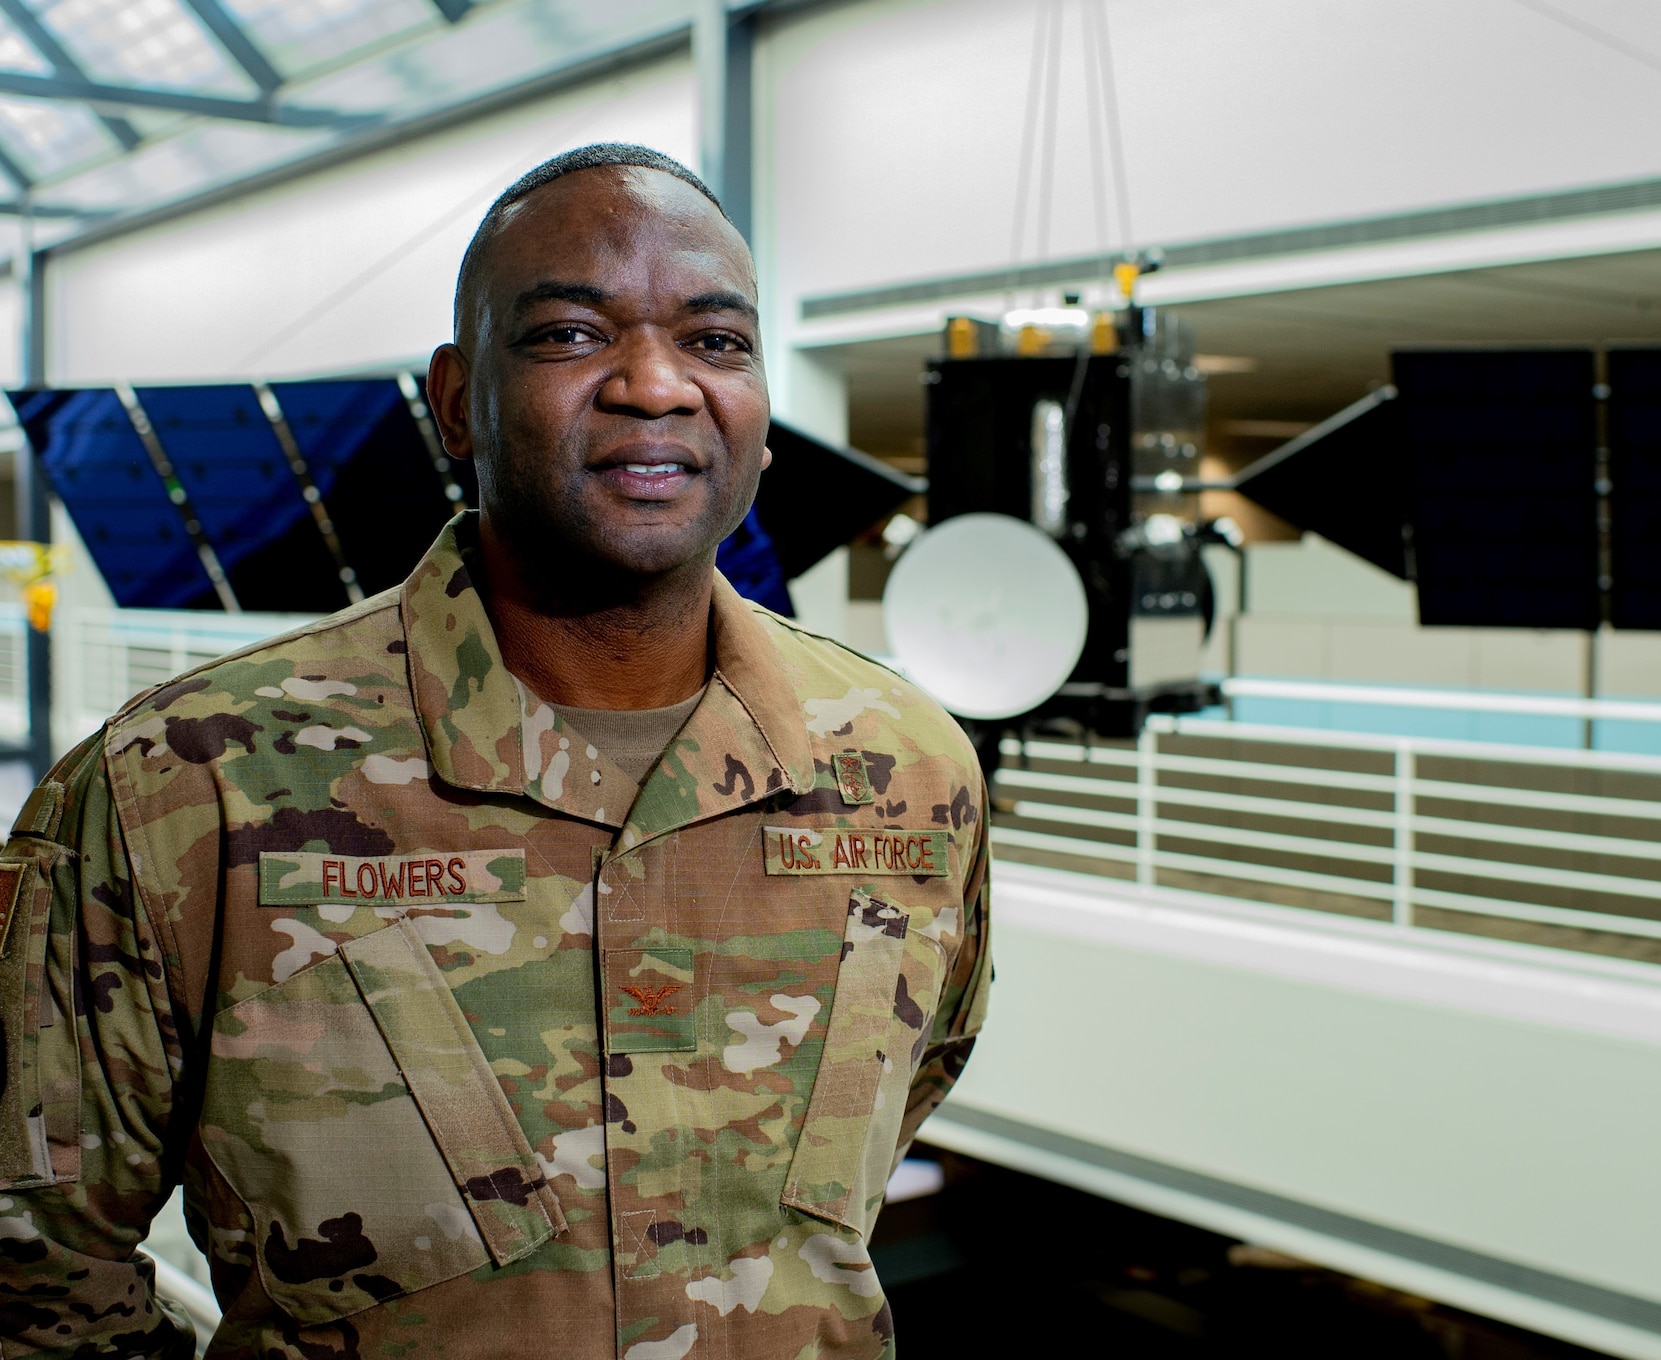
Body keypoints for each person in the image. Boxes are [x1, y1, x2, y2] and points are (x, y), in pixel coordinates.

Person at [0, 144, 990, 1360]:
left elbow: (907, 1095)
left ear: (761, 414)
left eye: (715, 342)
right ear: (459, 401)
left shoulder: (906, 768)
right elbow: (32, 1263)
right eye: (572, 335)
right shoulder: (189, 783)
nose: (655, 384)